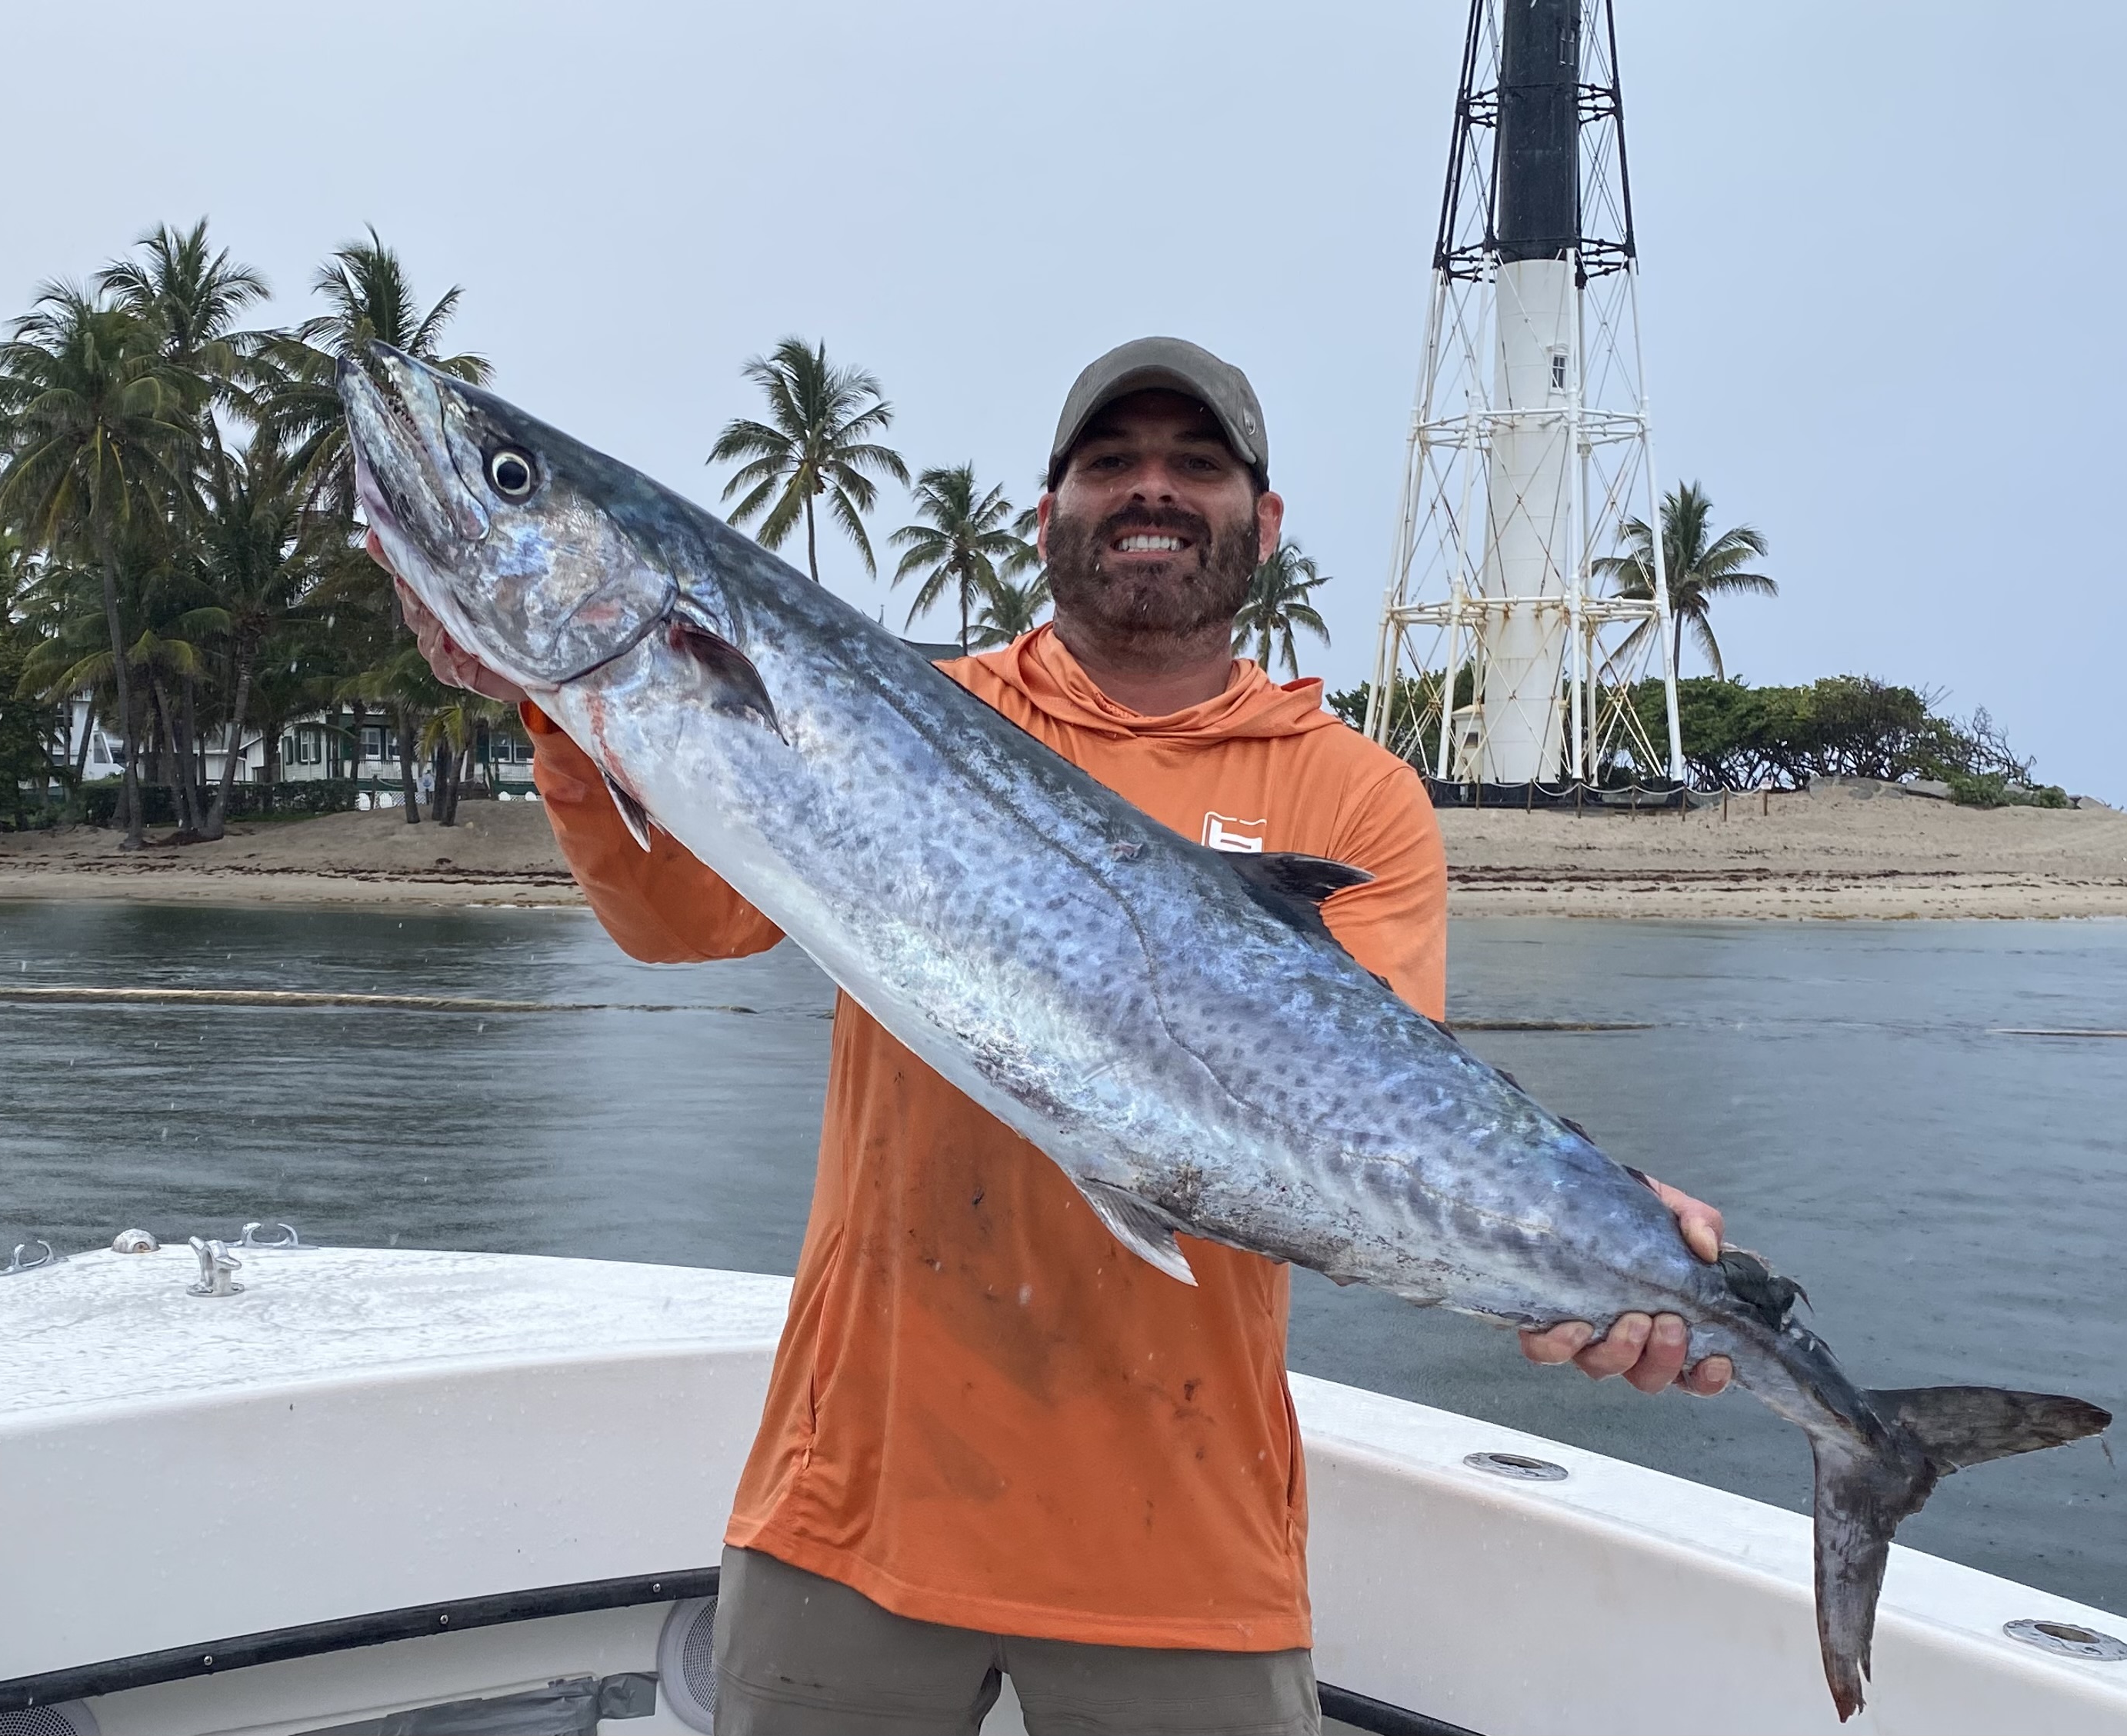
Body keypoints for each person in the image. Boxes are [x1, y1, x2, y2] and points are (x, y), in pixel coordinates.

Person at [388, 337, 1732, 1735]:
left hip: (1188, 1542)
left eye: (1194, 466)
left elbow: (1379, 1128)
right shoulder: (920, 711)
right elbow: (682, 926)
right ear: (1047, 515)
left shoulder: (1355, 793)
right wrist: (555, 704)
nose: (1150, 491)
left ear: (1261, 524)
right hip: (854, 1506)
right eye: (1109, 464)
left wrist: (1595, 1251)